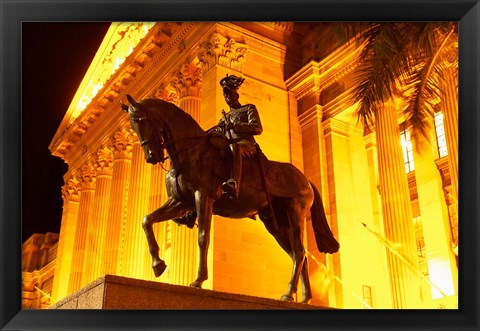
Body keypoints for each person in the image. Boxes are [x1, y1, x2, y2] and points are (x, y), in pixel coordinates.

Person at [216, 74, 263, 199]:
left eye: (229, 93)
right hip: (228, 146)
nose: (227, 97)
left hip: (246, 145)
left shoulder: (248, 109)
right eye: (224, 95)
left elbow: (257, 128)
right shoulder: (224, 117)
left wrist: (236, 126)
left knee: (234, 147)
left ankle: (233, 183)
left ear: (236, 94)